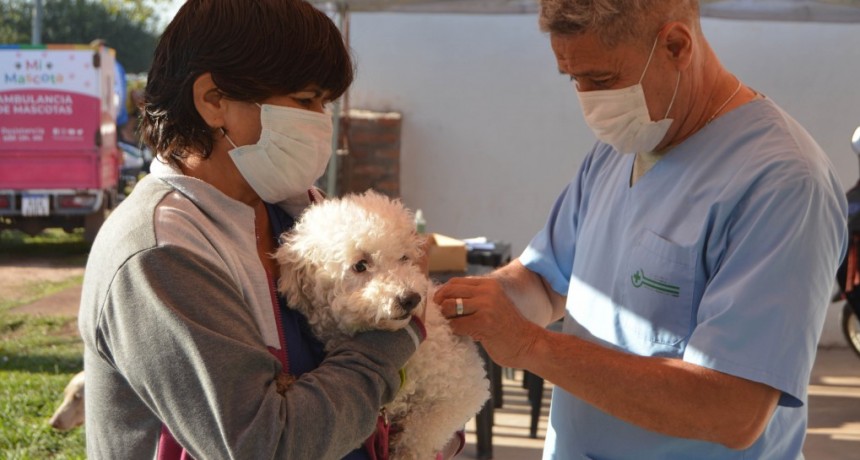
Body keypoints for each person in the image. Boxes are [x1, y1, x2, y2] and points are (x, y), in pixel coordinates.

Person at [434, 1, 847, 458]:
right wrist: (461, 309)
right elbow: (546, 283)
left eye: (604, 80)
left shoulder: (781, 183)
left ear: (675, 45)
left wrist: (531, 345)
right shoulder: (623, 148)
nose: (589, 100)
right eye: (574, 79)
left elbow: (734, 410)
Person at [77, 1, 431, 459]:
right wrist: (398, 333)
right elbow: (265, 443)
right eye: (305, 101)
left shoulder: (300, 214)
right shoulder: (160, 252)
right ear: (214, 100)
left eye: (326, 103)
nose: (322, 121)